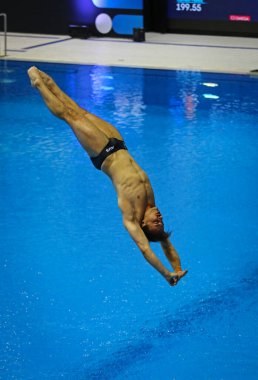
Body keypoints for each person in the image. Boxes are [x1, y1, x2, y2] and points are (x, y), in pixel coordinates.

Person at [27, 66, 188, 286]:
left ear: (143, 224)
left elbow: (145, 249)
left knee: (70, 116)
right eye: (161, 221)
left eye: (155, 223)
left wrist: (167, 275)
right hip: (118, 144)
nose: (159, 217)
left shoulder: (131, 217)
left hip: (103, 154)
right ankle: (50, 82)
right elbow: (166, 243)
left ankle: (38, 85)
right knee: (80, 111)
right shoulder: (151, 204)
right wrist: (177, 268)